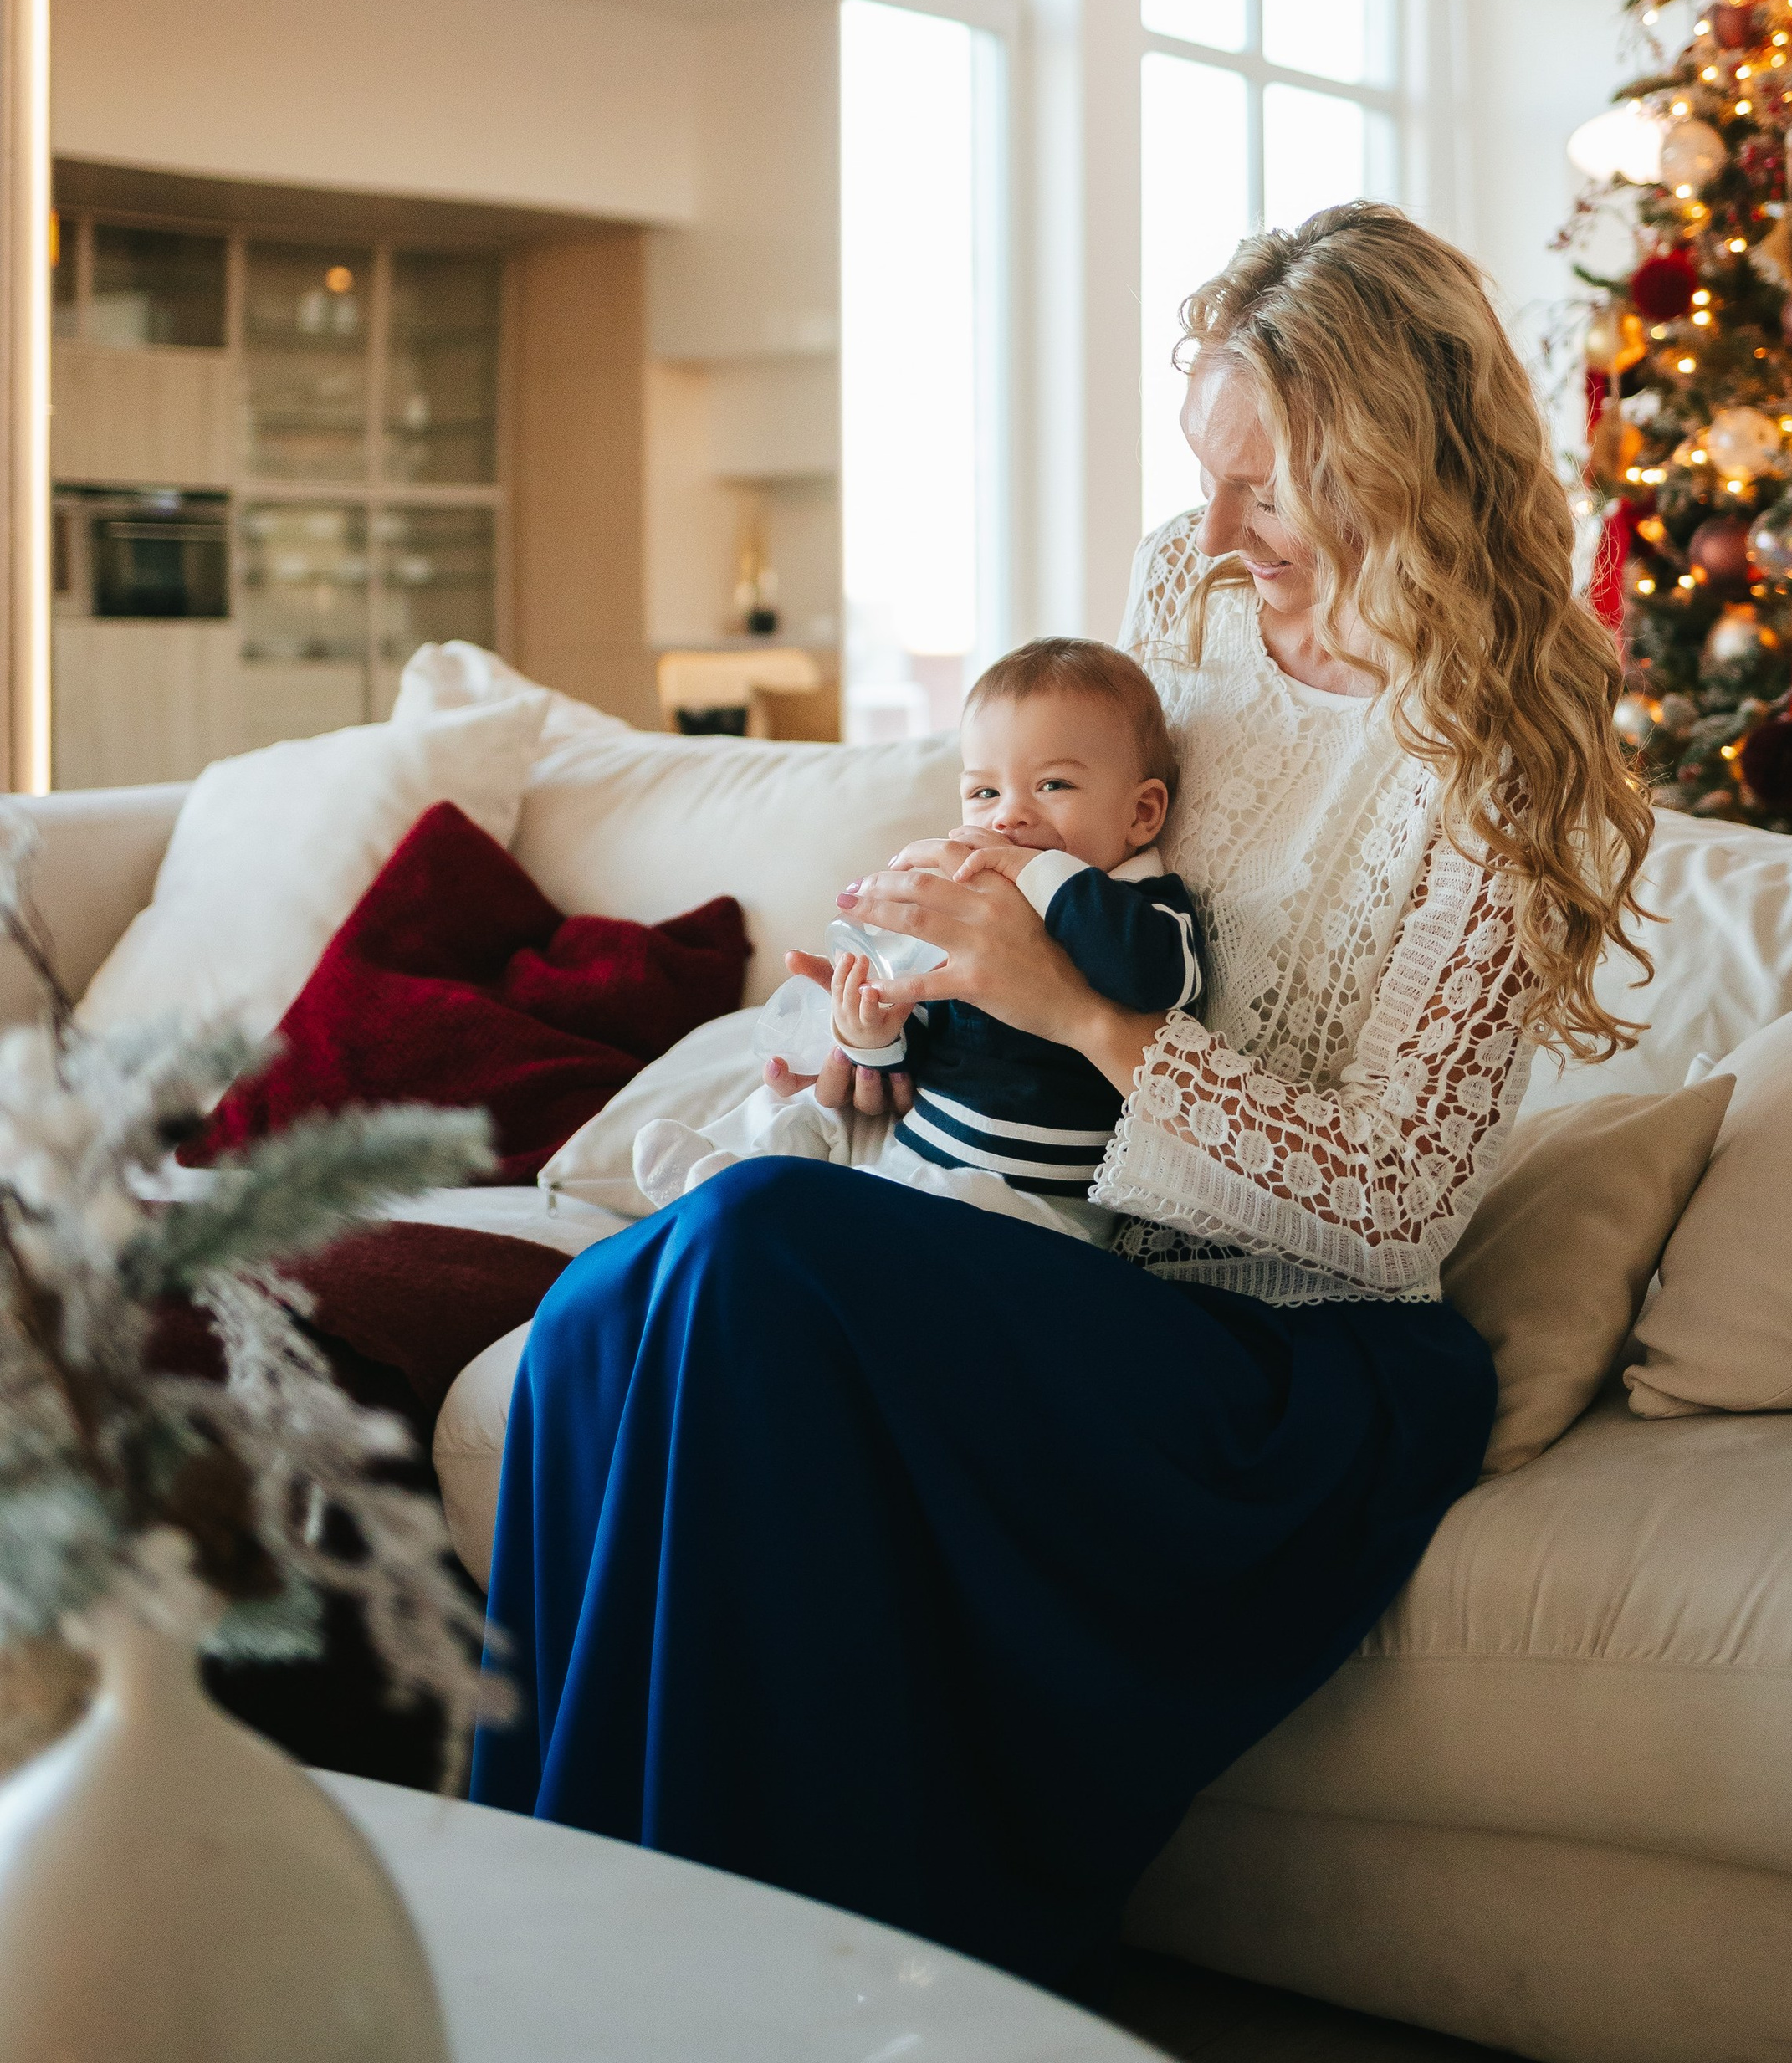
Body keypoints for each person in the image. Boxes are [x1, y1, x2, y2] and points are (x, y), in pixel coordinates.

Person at [473, 202, 1651, 2000]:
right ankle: (562, 1968)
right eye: (1212, 473)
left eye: (1274, 486)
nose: (1228, 529)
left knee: (756, 1246)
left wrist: (1075, 1014)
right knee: (589, 1317)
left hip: (1281, 1354)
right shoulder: (1179, 586)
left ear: (1397, 459)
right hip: (1060, 1255)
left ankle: (737, 1993)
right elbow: (1062, 856)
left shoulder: (1504, 754)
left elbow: (1396, 1208)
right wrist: (920, 985)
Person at [630, 637, 1206, 1244]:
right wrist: (874, 1034)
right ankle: (728, 1179)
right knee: (812, 1111)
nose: (1007, 817)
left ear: (1141, 813)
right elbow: (923, 1038)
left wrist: (1037, 873)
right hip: (916, 1160)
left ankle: (774, 1215)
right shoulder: (974, 910)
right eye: (985, 793)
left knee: (918, 1209)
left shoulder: (1142, 904)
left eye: (1053, 784)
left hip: (1032, 1209)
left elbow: (1157, 977)